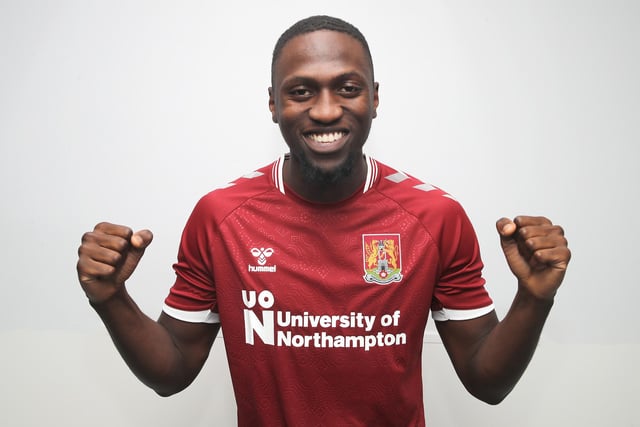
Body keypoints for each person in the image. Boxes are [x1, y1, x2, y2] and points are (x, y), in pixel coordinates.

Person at [77, 15, 571, 426]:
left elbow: (487, 383)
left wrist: (534, 299)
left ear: (374, 98)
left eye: (347, 88)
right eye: (301, 92)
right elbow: (173, 370)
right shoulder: (221, 217)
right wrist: (111, 299)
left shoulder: (434, 218)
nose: (326, 110)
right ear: (273, 105)